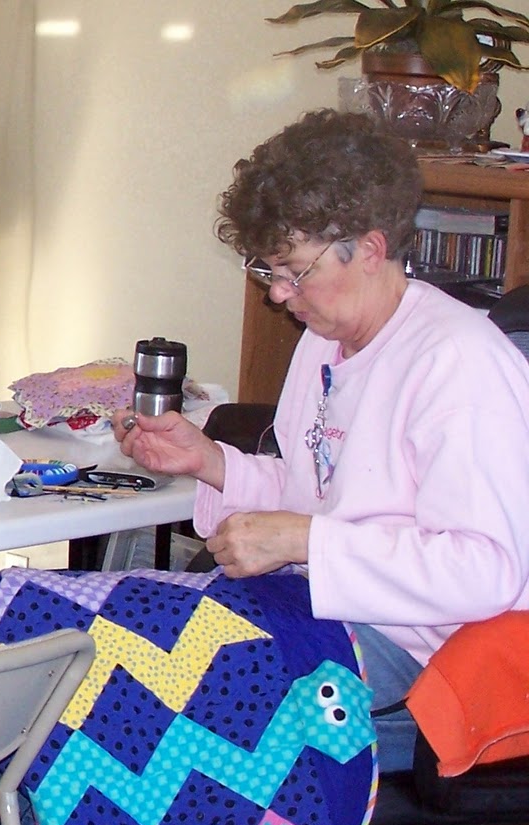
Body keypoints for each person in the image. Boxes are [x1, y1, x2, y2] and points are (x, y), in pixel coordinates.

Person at [114, 108, 529, 772]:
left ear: (368, 249)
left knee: (185, 714)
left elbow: (486, 570)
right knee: (114, 645)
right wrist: (213, 461)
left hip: (428, 656)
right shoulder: (322, 342)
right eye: (267, 271)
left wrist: (305, 541)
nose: (280, 294)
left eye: (294, 271)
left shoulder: (459, 361)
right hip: (322, 612)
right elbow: (320, 491)